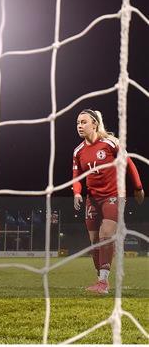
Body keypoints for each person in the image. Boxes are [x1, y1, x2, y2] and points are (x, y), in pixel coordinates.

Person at [72, 109, 144, 294]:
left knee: (106, 233)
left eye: (84, 122)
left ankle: (103, 282)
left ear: (94, 123)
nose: (80, 126)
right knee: (94, 241)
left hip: (114, 195)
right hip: (92, 199)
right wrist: (77, 193)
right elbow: (76, 177)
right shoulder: (78, 151)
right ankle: (100, 278)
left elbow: (129, 163)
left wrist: (138, 188)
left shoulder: (111, 143)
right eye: (78, 122)